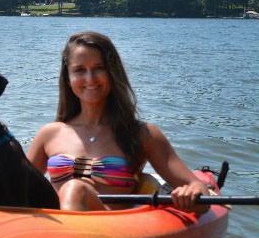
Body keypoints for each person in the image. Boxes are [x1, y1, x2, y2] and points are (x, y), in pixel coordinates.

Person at [26, 31, 208, 212]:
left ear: (112, 73)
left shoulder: (142, 134)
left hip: (111, 230)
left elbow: (200, 191)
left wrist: (191, 192)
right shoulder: (49, 134)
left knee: (75, 189)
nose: (90, 78)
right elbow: (16, 188)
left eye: (99, 68)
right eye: (80, 70)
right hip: (54, 231)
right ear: (67, 78)